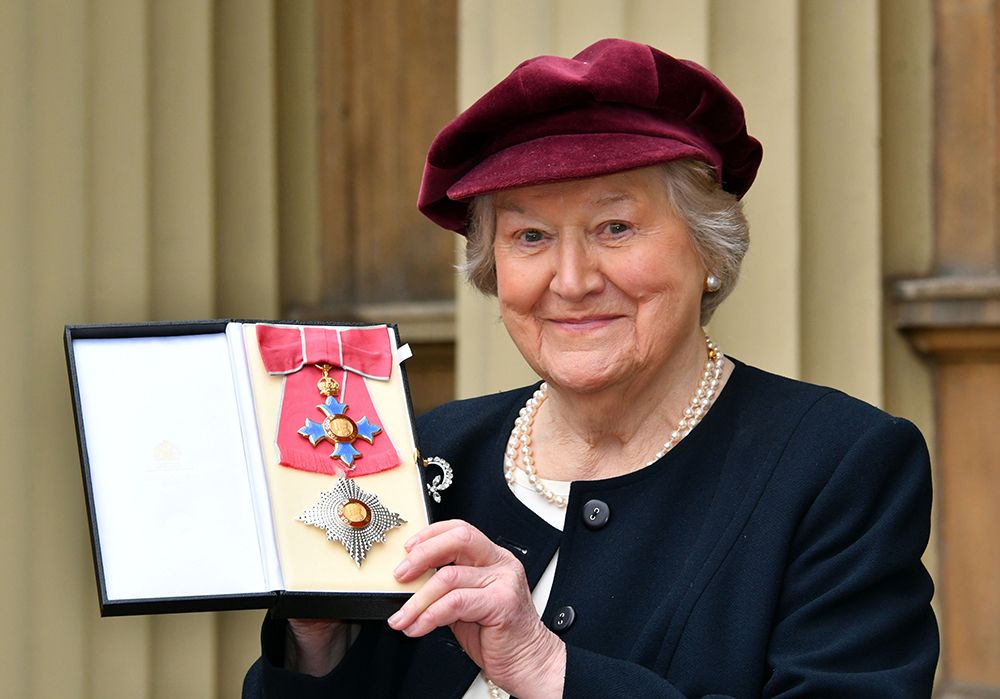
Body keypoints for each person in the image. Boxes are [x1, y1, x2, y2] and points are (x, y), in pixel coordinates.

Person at [244, 38, 938, 698]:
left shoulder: (836, 466)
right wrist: (317, 636)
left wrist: (547, 665)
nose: (571, 280)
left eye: (616, 227)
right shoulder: (426, 455)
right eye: (530, 237)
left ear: (708, 250)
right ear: (495, 270)